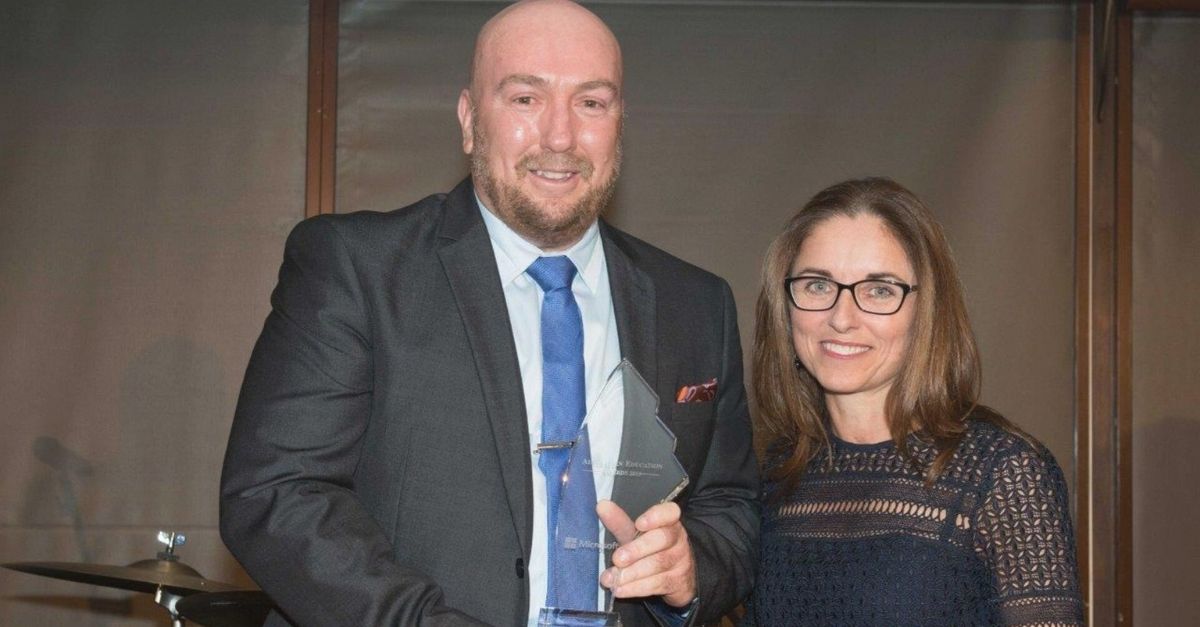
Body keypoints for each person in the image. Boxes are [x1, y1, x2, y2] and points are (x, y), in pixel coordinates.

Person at [218, 1, 758, 625]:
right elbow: (276, 493)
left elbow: (731, 506)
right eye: (525, 98)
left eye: (591, 102)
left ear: (619, 124)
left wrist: (693, 569)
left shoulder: (697, 303)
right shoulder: (357, 268)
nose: (561, 136)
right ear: (471, 121)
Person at [744, 178, 1082, 626]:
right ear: (785, 306)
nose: (841, 318)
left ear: (927, 313)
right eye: (817, 285)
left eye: (880, 290)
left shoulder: (1002, 471)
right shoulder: (773, 472)